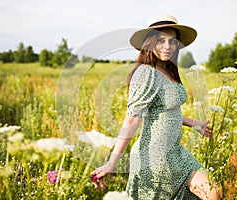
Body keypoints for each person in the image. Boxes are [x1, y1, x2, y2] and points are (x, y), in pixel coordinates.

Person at [91, 14, 220, 200]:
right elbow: (132, 118)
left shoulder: (168, 70)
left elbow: (166, 111)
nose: (167, 46)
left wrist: (195, 124)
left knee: (213, 191)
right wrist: (112, 163)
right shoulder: (146, 72)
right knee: (211, 192)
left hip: (175, 152)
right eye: (161, 40)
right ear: (150, 43)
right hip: (155, 157)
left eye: (172, 41)